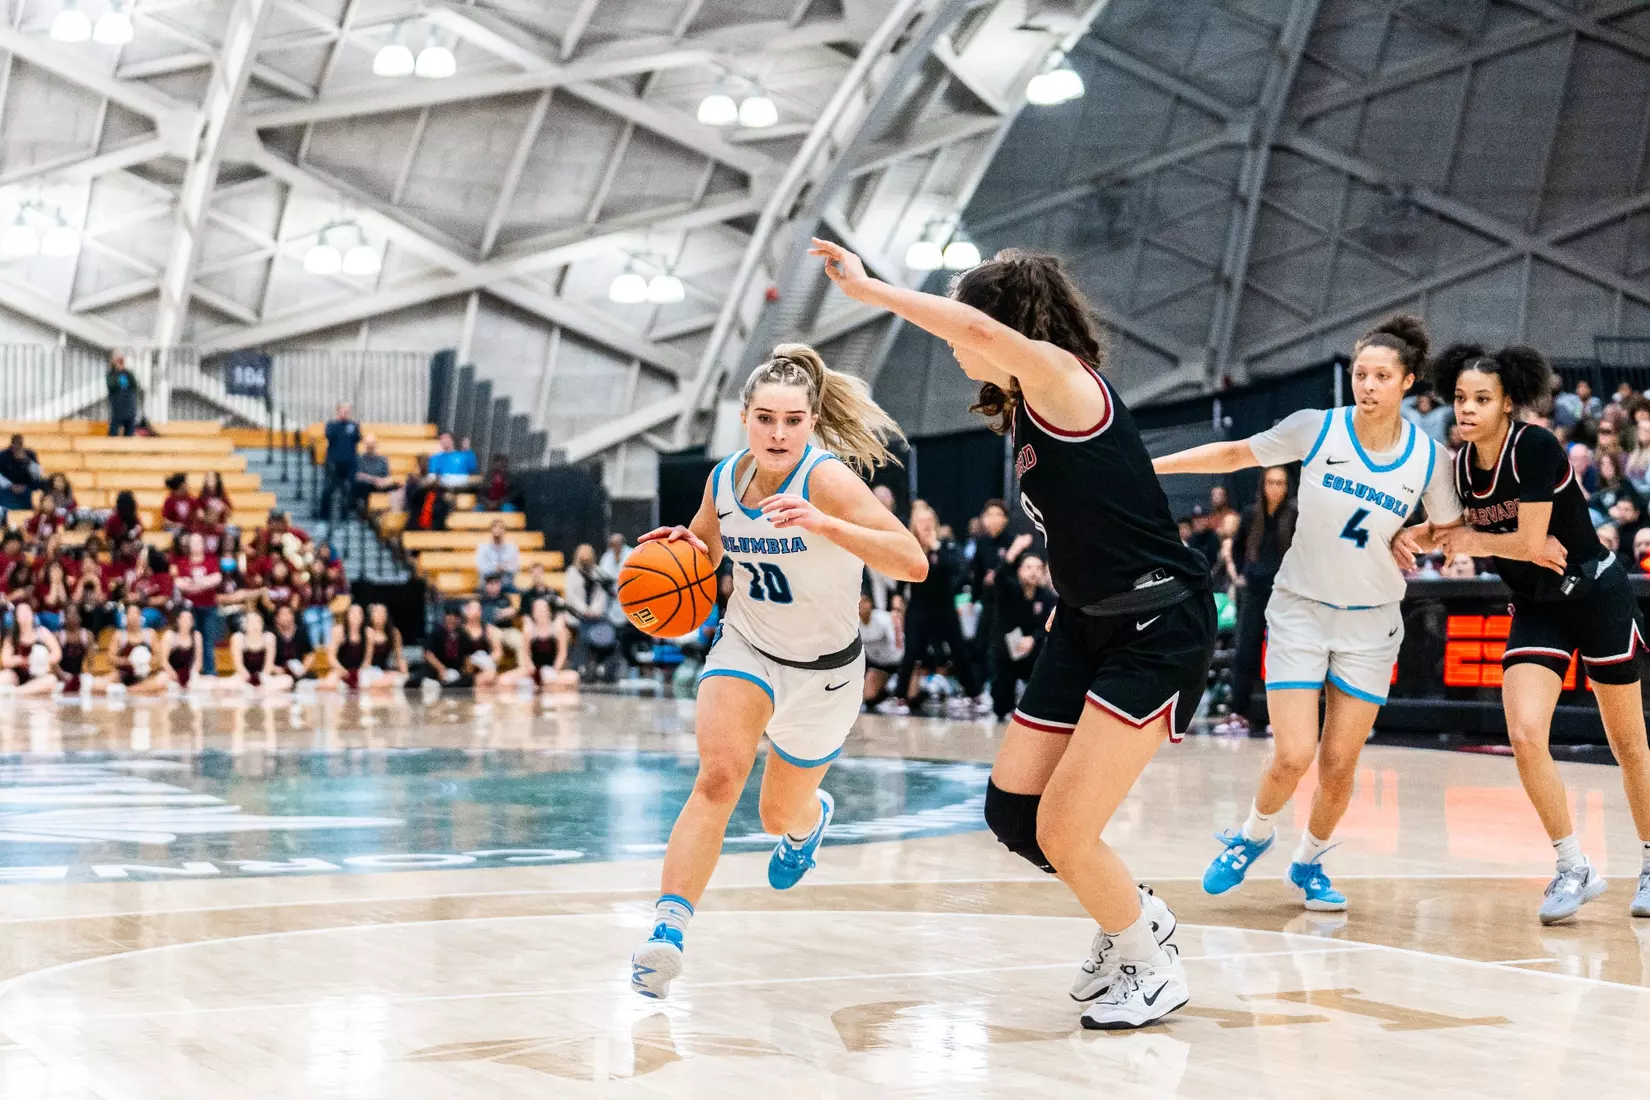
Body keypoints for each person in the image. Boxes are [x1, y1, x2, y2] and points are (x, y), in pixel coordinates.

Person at [812, 238, 1216, 1030]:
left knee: (1067, 828)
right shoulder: (1029, 411)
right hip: (1085, 625)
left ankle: (1147, 960)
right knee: (1013, 815)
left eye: (965, 323)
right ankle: (1131, 911)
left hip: (1155, 624)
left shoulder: (1066, 382)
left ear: (994, 325)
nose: (956, 339)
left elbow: (997, 340)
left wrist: (874, 292)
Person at [627, 341, 923, 1002]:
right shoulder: (724, 479)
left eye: (792, 420)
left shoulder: (828, 481)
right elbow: (706, 544)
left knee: (775, 815)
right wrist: (685, 550)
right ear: (745, 418)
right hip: (748, 647)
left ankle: (807, 820)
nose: (779, 432)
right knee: (718, 776)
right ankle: (666, 935)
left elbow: (912, 561)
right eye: (766, 418)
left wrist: (827, 523)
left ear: (811, 422)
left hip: (827, 674)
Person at [1158, 315, 1461, 913]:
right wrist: (1154, 468)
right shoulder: (1317, 429)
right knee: (1293, 753)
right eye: (1360, 374)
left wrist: (1415, 534)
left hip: (1372, 623)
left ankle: (1310, 862)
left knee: (1339, 763)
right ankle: (1251, 836)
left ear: (1407, 383)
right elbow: (1234, 453)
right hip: (1301, 609)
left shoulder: (1431, 460)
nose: (1367, 385)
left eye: (1381, 376)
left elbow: (1450, 528)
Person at [1398, 343, 1650, 923]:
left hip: (1596, 593)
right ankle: (1573, 865)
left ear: (1507, 403)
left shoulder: (1532, 446)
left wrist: (1473, 540)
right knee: (1526, 732)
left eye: (1481, 399)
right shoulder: (1460, 466)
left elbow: (1533, 542)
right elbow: (1457, 532)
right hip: (1539, 603)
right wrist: (1411, 537)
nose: (1465, 409)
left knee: (1628, 744)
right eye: (1460, 398)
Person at [1214, 467, 1296, 735]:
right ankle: (1238, 713)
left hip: (1284, 595)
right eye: (1270, 482)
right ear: (1263, 485)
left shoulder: (1294, 516)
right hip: (1254, 592)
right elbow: (1235, 548)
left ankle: (1280, 719)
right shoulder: (1251, 515)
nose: (1275, 488)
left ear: (1286, 486)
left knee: (1282, 656)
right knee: (1244, 652)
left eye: (1280, 483)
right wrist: (1240, 576)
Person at [895, 501, 983, 715]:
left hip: (944, 605)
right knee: (912, 650)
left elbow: (958, 569)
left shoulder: (944, 545)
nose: (925, 525)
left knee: (958, 648)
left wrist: (935, 547)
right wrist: (896, 601)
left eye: (928, 520)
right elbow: (901, 578)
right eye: (920, 521)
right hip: (919, 604)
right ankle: (900, 696)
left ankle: (974, 694)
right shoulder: (910, 547)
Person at [991, 553, 1056, 721]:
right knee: (1001, 700)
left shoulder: (1046, 596)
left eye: (1037, 568)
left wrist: (1033, 639)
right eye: (1028, 567)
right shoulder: (1010, 590)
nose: (1033, 572)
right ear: (1019, 571)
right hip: (1008, 646)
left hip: (1034, 648)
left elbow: (1046, 625)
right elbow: (998, 578)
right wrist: (1012, 553)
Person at [499, 596, 577, 696]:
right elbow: (526, 654)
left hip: (552, 669)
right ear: (533, 613)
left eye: (543, 609)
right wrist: (531, 668)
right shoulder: (529, 631)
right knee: (503, 681)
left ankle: (550, 693)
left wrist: (554, 670)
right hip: (533, 670)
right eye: (537, 609)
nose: (540, 612)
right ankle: (528, 692)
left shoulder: (558, 630)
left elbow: (562, 654)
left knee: (574, 677)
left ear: (549, 611)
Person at [173, 532, 223, 675]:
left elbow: (217, 579)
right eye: (193, 542)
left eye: (199, 542)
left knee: (208, 640)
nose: (196, 545)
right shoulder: (182, 562)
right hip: (190, 608)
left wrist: (194, 584)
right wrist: (203, 583)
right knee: (191, 639)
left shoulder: (211, 560)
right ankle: (190, 671)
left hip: (209, 606)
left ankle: (210, 672)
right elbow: (179, 583)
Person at [2, 603, 61, 695]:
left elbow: (57, 654)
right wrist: (20, 660)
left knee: (51, 680)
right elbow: (5, 660)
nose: (25, 614)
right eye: (21, 612)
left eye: (27, 611)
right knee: (5, 675)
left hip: (39, 675)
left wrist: (40, 659)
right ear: (16, 618)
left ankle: (16, 692)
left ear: (33, 615)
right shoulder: (12, 637)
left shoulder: (42, 632)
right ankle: (20, 690)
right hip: (17, 676)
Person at [858, 593, 904, 710]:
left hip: (897, 661)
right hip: (878, 664)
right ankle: (883, 697)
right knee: (868, 695)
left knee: (909, 692)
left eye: (865, 601)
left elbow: (897, 642)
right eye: (859, 603)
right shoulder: (853, 624)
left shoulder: (883, 619)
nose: (862, 606)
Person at [319, 401, 361, 524]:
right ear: (338, 411)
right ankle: (324, 517)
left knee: (347, 490)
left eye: (348, 411)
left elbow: (357, 438)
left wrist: (355, 426)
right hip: (334, 462)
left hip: (349, 463)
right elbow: (329, 436)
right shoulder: (332, 425)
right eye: (343, 410)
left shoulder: (353, 426)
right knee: (328, 490)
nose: (346, 413)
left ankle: (344, 517)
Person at [230, 611, 291, 693]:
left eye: (258, 621)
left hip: (264, 677)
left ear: (262, 623)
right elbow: (238, 665)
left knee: (287, 680)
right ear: (244, 624)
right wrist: (248, 678)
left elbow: (268, 665)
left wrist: (261, 679)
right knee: (231, 683)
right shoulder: (238, 638)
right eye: (251, 622)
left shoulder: (269, 637)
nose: (255, 625)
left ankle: (259, 689)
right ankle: (251, 689)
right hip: (244, 677)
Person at [417, 604, 469, 689]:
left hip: (456, 672)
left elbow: (467, 657)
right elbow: (428, 654)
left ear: (459, 619)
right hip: (436, 670)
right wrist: (441, 669)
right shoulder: (436, 633)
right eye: (449, 617)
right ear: (445, 618)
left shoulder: (464, 636)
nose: (452, 620)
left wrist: (465, 671)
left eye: (455, 617)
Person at [455, 598, 502, 688]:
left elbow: (498, 651)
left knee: (491, 675)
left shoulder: (488, 629)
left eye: (478, 609)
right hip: (466, 667)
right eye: (472, 609)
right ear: (466, 611)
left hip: (485, 665)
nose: (476, 612)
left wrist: (487, 661)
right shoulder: (459, 630)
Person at [323, 603, 369, 691]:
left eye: (359, 614)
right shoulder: (338, 631)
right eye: (353, 613)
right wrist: (342, 670)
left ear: (363, 617)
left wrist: (360, 672)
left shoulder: (367, 633)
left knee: (368, 683)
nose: (356, 617)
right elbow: (331, 657)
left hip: (360, 671)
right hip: (341, 670)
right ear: (347, 615)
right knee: (329, 685)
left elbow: (367, 659)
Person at [362, 603, 408, 691]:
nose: (380, 615)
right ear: (371, 616)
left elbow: (399, 656)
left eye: (383, 612)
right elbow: (367, 660)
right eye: (376, 612)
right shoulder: (368, 632)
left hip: (385, 671)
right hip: (370, 669)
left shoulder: (394, 633)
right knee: (368, 680)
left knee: (400, 678)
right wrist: (371, 640)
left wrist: (404, 672)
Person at [161, 608, 204, 693]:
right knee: (162, 682)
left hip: (190, 674)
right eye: (183, 618)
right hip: (171, 673)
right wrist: (174, 676)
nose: (186, 621)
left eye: (189, 619)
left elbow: (198, 662)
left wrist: (192, 676)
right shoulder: (169, 636)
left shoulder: (196, 636)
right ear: (178, 620)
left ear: (192, 622)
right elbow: (164, 662)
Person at [272, 605, 315, 684]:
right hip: (279, 673)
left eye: (289, 613)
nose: (286, 617)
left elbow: (310, 654)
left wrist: (303, 669)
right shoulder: (272, 635)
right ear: (276, 618)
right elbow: (266, 659)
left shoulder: (301, 632)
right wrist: (275, 669)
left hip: (298, 671)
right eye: (283, 614)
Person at [352, 434, 397, 512]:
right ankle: (363, 514)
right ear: (364, 445)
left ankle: (393, 514)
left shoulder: (382, 459)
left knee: (396, 486)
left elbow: (388, 477)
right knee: (361, 486)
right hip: (365, 486)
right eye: (368, 444)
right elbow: (358, 475)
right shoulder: (359, 458)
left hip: (380, 485)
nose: (370, 446)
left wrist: (383, 482)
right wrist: (374, 480)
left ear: (376, 444)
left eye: (372, 443)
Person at [0, 434, 42, 513]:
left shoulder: (30, 454)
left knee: (43, 483)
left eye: (19, 444)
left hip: (26, 487)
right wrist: (11, 486)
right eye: (15, 444)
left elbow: (37, 475)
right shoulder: (3, 455)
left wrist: (27, 460)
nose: (17, 447)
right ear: (11, 444)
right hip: (7, 487)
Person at [57, 604, 92, 695]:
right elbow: (54, 663)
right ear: (64, 617)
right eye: (69, 614)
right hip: (62, 676)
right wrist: (62, 675)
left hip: (80, 676)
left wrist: (85, 675)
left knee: (88, 682)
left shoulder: (87, 635)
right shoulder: (59, 636)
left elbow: (90, 661)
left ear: (80, 617)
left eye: (74, 614)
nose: (72, 617)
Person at [475, 519, 520, 587]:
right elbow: (481, 567)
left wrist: (504, 568)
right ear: (491, 530)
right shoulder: (483, 548)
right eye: (495, 527)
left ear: (505, 531)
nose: (498, 530)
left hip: (506, 585)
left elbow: (515, 567)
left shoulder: (512, 548)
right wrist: (496, 568)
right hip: (487, 585)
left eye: (501, 527)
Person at [106, 353, 141, 436]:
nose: (119, 363)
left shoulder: (128, 374)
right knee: (113, 434)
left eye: (121, 361)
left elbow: (135, 385)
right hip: (117, 410)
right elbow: (111, 386)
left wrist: (125, 371)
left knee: (129, 435)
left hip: (130, 409)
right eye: (117, 361)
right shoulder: (111, 375)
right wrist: (118, 372)